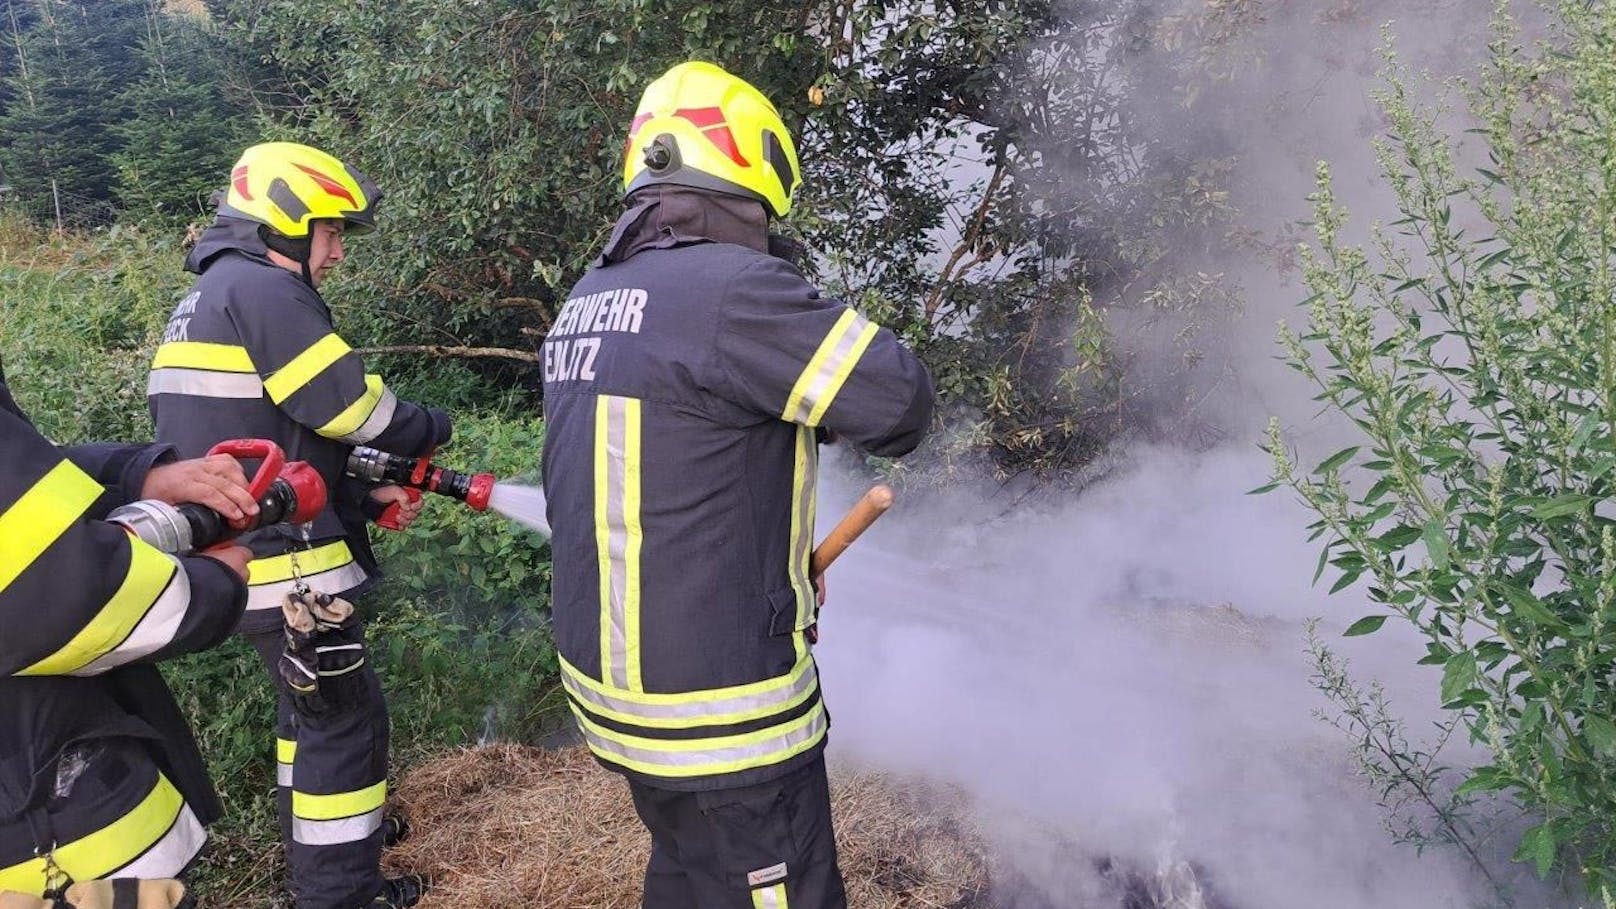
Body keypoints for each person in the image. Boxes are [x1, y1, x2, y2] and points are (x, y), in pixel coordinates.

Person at [540, 61, 935, 909]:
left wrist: (775, 558)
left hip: (620, 703)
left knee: (689, 878)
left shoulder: (588, 297)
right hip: (722, 717)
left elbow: (680, 469)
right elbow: (900, 401)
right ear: (749, 171)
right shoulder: (735, 290)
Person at [147, 142, 452, 909]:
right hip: (291, 565)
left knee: (305, 714)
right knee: (344, 722)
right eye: (331, 231)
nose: (339, 251)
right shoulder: (266, 292)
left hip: (248, 555)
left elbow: (276, 440)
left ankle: (324, 847)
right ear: (284, 226)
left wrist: (361, 497)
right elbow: (351, 409)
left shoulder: (211, 295)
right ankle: (341, 892)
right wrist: (429, 426)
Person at [0, 358, 255, 901]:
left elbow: (20, 491)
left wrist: (132, 477)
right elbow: (52, 595)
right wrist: (213, 587)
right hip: (51, 838)